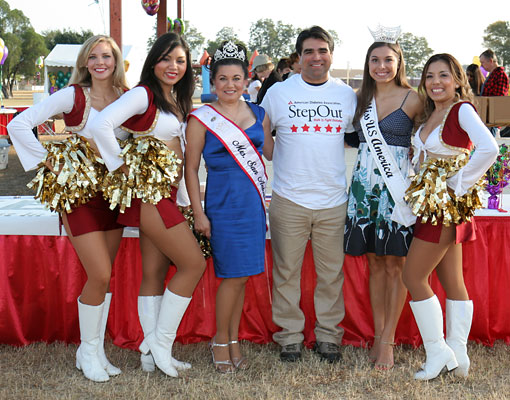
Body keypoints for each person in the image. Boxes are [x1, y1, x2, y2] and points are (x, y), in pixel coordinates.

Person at [7, 35, 129, 382]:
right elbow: (18, 124)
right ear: (84, 62)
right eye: (93, 56)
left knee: (104, 277)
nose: (100, 62)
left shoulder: (126, 96)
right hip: (79, 198)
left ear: (116, 61)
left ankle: (94, 351)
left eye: (106, 56)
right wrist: (49, 161)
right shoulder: (73, 95)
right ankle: (87, 351)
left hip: (113, 197)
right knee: (100, 274)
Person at [90, 32, 206, 378]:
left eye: (180, 61)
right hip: (151, 197)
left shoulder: (176, 99)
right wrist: (121, 167)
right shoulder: (143, 94)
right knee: (193, 264)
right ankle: (159, 344)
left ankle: (151, 354)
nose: (173, 66)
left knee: (154, 274)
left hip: (168, 196)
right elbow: (101, 124)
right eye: (166, 58)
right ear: (153, 61)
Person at [261, 26, 357, 363]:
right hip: (289, 199)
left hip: (333, 200)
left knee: (331, 275)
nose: (316, 58)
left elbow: (354, 136)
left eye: (322, 51)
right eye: (309, 52)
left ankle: (329, 336)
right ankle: (289, 337)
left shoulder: (346, 95)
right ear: (299, 57)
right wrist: (270, 150)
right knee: (286, 272)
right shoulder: (278, 92)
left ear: (331, 54)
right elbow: (263, 132)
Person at [402, 53, 498, 380]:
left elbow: (489, 149)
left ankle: (438, 352)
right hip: (432, 204)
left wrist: (459, 182)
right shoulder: (433, 112)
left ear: (458, 80)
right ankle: (458, 353)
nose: (436, 82)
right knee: (452, 280)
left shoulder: (462, 110)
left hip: (443, 207)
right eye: (429, 76)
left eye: (443, 75)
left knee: (413, 277)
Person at [185, 41, 273, 373]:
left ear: (246, 80)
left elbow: (272, 152)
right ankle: (220, 340)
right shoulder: (202, 118)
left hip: (252, 205)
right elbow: (190, 168)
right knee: (231, 277)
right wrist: (198, 212)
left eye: (236, 78)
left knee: (244, 276)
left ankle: (233, 340)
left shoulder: (259, 114)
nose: (230, 85)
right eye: (223, 79)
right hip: (222, 205)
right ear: (213, 82)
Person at [344, 38, 422, 370]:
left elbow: (428, 139)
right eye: (374, 60)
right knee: (374, 264)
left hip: (397, 190)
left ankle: (389, 340)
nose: (381, 66)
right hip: (365, 189)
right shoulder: (359, 98)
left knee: (395, 265)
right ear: (368, 64)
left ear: (399, 62)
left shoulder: (414, 98)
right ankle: (377, 335)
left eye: (388, 60)